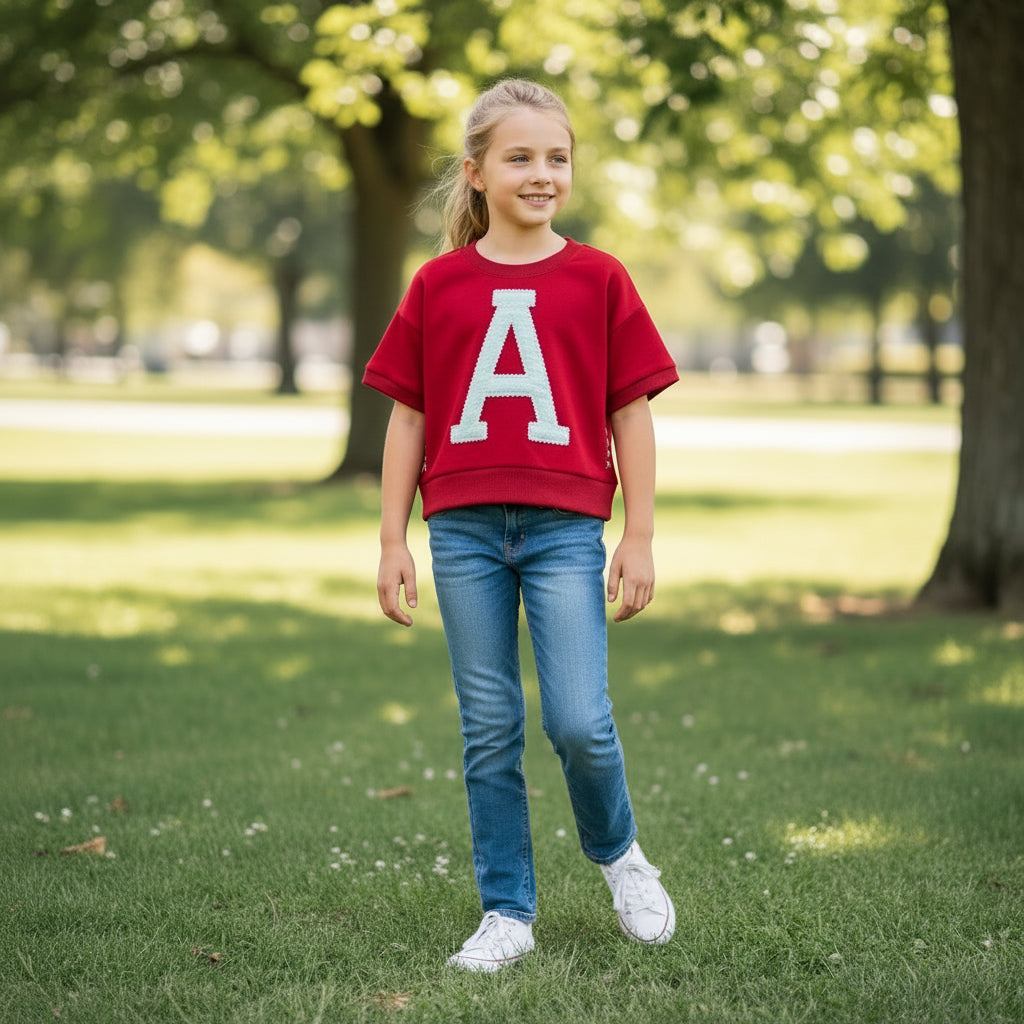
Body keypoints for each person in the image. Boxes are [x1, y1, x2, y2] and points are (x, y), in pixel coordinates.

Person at [363, 79, 679, 972]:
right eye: (520, 157)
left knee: (579, 718)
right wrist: (393, 539)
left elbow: (633, 414)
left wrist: (641, 534)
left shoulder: (599, 277)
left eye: (557, 158)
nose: (542, 173)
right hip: (462, 531)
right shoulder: (438, 285)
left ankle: (620, 856)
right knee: (489, 724)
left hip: (563, 529)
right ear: (475, 173)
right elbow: (408, 418)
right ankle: (507, 909)